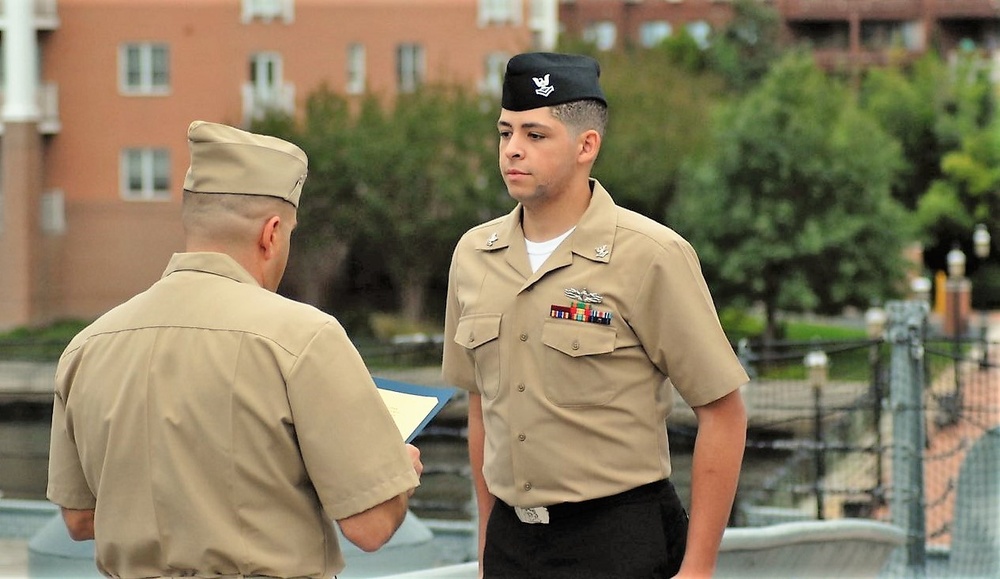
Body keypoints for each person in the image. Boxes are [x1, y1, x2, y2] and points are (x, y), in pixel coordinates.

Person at [47, 120, 422, 579]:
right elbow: (371, 525)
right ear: (272, 233)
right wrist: (399, 473)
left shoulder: (87, 346)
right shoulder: (303, 337)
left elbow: (80, 519)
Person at [441, 52, 749, 578]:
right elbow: (481, 409)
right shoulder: (474, 255)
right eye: (505, 132)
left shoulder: (651, 254)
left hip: (617, 541)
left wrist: (698, 569)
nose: (513, 150)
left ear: (587, 146)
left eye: (535, 135)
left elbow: (723, 412)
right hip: (512, 545)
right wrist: (487, 545)